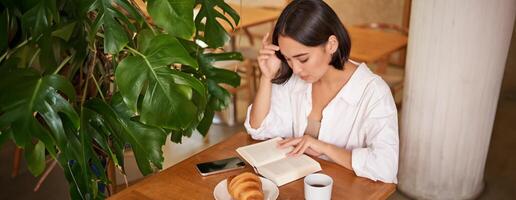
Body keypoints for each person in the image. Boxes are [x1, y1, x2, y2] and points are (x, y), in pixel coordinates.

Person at [244, 0, 399, 183]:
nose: (295, 69)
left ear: (331, 44)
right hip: (297, 187)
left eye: (303, 58)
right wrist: (266, 77)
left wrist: (324, 147)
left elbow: (385, 167)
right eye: (288, 59)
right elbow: (258, 129)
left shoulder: (373, 93)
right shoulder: (297, 79)